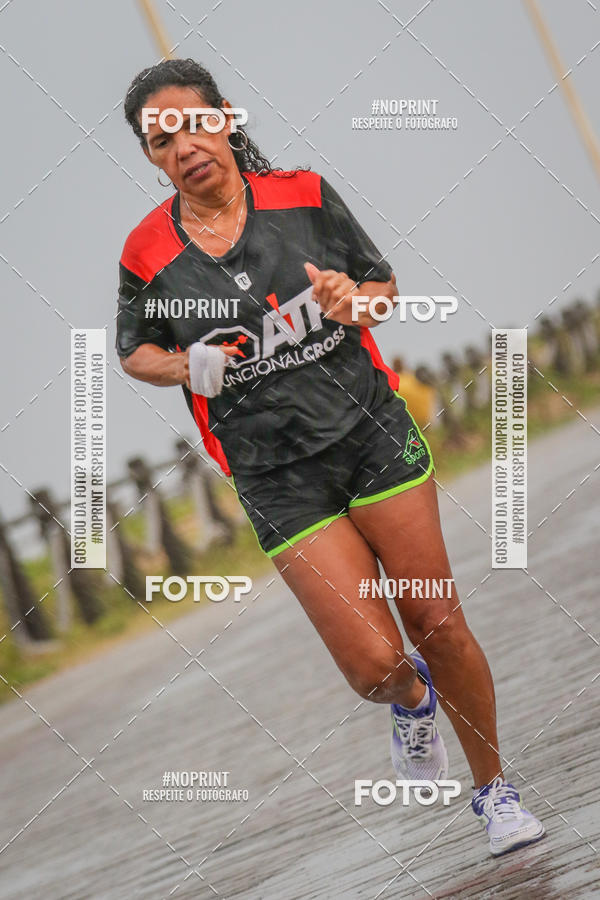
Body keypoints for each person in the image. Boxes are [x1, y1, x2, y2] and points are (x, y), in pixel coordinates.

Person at [116, 58, 544, 857]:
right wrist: (188, 366)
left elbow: (382, 286)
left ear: (225, 120)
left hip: (369, 437)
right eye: (161, 137)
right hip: (274, 474)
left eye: (195, 122)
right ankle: (411, 703)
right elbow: (135, 352)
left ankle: (496, 793)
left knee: (436, 621)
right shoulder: (147, 254)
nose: (184, 145)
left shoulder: (303, 197)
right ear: (151, 156)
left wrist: (356, 299)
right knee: (375, 663)